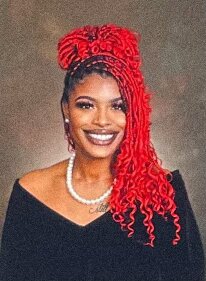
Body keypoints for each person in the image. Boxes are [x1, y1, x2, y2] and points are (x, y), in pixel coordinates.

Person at [0, 23, 204, 281]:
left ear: (134, 114)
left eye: (118, 107)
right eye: (86, 105)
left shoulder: (164, 194)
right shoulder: (29, 193)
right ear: (66, 109)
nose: (102, 121)